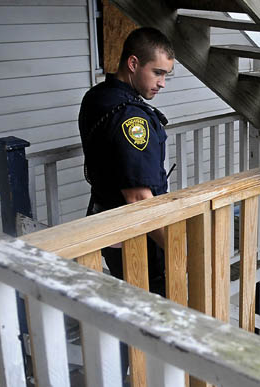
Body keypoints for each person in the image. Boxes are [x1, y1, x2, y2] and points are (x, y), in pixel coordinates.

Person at [79, 27, 174, 295]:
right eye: (158, 72)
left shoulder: (98, 96)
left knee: (131, 305)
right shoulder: (131, 117)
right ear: (133, 64)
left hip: (111, 227)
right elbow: (139, 198)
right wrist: (178, 248)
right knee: (154, 312)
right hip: (139, 237)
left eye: (166, 75)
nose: (162, 83)